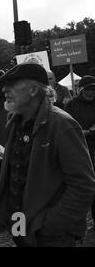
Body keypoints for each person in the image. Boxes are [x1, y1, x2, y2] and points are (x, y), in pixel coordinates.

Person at [0, 64, 95, 247]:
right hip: (19, 222)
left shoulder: (62, 124)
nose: (4, 89)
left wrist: (49, 226)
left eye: (13, 84)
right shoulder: (15, 121)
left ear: (33, 89)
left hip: (51, 235)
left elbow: (83, 186)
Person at [65, 75, 95, 227]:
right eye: (88, 89)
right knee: (80, 188)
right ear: (81, 90)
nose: (91, 92)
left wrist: (90, 132)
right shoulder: (72, 105)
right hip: (78, 152)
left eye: (93, 89)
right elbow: (66, 125)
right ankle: (78, 223)